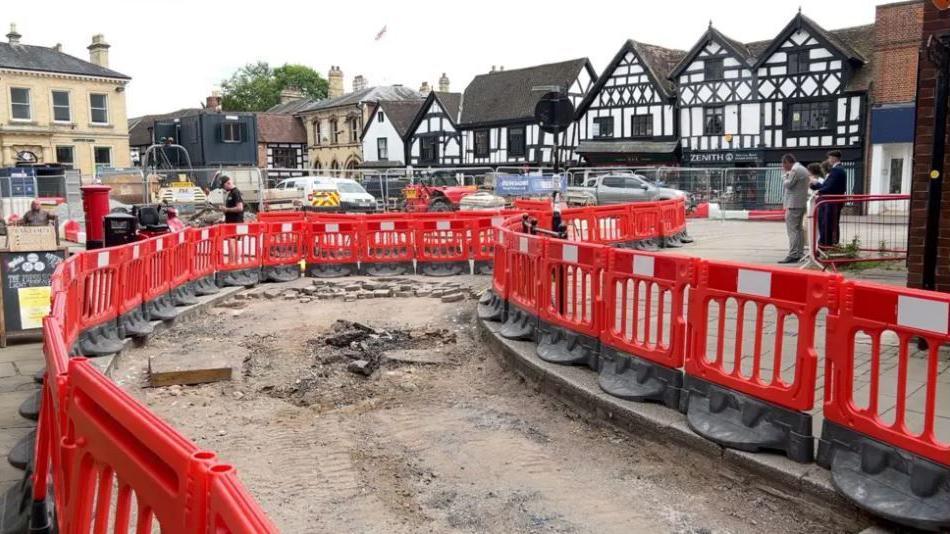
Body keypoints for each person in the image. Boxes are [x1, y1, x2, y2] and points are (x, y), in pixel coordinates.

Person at [810, 150, 847, 247]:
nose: (828, 160)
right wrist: (816, 185)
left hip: (830, 202)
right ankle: (827, 243)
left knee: (827, 224)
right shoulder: (838, 169)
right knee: (829, 223)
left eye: (829, 158)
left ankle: (826, 244)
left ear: (834, 158)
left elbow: (830, 187)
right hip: (830, 201)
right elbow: (828, 185)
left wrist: (818, 191)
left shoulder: (837, 170)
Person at [779, 154, 809, 264]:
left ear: (787, 162)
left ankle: (793, 254)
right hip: (800, 203)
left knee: (792, 230)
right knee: (799, 230)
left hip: (793, 204)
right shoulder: (802, 169)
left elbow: (788, 184)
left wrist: (785, 176)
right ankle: (799, 252)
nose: (783, 167)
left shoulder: (795, 170)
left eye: (783, 164)